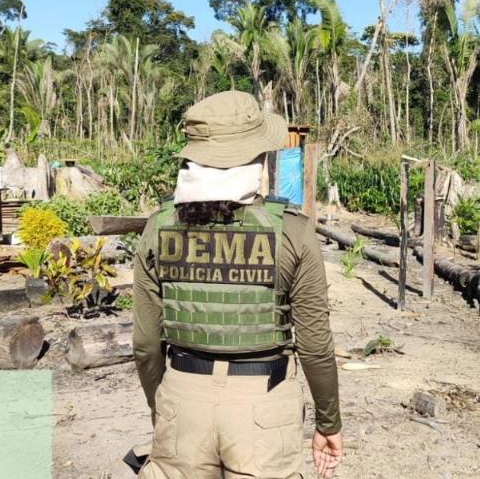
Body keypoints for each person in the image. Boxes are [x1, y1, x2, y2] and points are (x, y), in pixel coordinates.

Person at [132, 91, 343, 479]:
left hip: (181, 399)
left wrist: (164, 405)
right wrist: (328, 423)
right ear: (259, 159)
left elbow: (145, 344)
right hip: (263, 403)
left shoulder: (157, 227)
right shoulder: (292, 230)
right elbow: (315, 346)